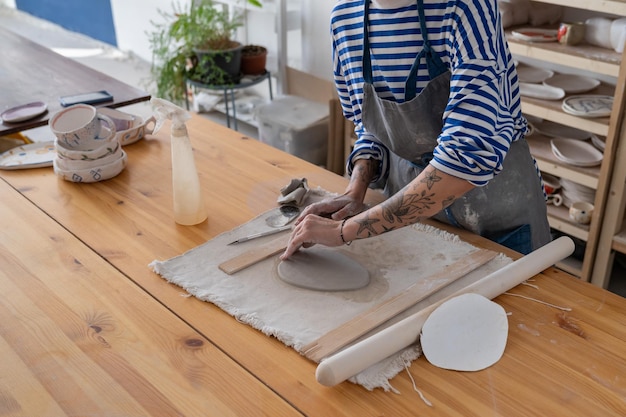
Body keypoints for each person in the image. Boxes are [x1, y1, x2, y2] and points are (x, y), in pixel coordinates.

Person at [281, 0, 551, 260]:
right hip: (410, 216)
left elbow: (467, 156)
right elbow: (372, 126)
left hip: (496, 215)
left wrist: (344, 231)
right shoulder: (345, 19)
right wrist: (355, 191)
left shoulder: (463, 7)